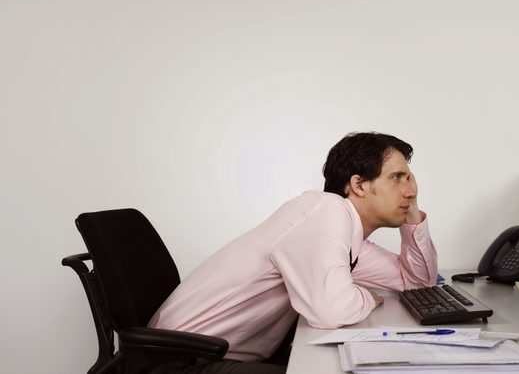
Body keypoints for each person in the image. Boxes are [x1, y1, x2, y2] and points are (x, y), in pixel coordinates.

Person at [148, 132, 438, 373]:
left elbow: (417, 283)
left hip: (215, 357)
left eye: (410, 179)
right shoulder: (327, 211)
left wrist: (412, 217)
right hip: (176, 361)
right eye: (397, 178)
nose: (410, 189)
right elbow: (331, 311)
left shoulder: (346, 235)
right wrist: (368, 297)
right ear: (358, 185)